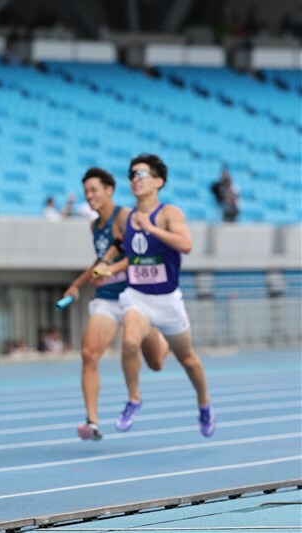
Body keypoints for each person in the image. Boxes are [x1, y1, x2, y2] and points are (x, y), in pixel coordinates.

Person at [94, 154, 216, 438]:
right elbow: (123, 248)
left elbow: (186, 245)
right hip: (138, 297)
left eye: (141, 174)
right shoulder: (125, 216)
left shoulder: (168, 213)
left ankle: (204, 404)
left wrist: (150, 228)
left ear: (158, 182)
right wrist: (107, 265)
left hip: (168, 299)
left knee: (187, 359)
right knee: (129, 343)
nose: (135, 179)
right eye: (132, 175)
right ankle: (134, 399)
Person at [62, 167, 169, 441]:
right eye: (86, 191)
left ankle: (161, 335)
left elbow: (136, 255)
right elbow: (100, 262)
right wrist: (78, 284)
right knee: (89, 354)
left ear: (110, 190)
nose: (89, 196)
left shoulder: (125, 217)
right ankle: (92, 422)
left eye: (94, 190)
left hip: (135, 297)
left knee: (156, 362)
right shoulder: (94, 225)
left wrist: (109, 269)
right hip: (108, 299)